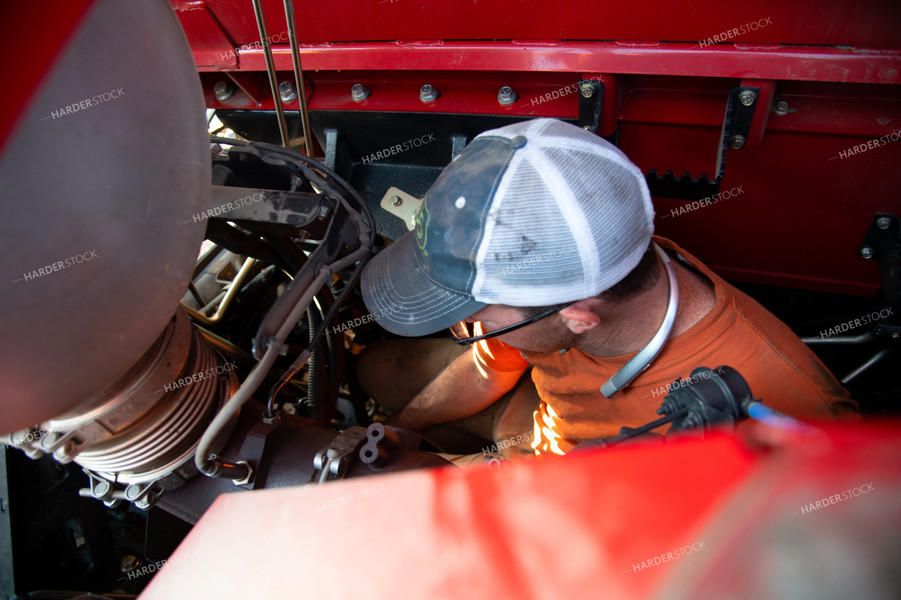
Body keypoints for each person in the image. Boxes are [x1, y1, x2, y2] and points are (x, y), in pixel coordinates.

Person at [357, 118, 858, 459]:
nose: (471, 326)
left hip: (591, 507)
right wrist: (399, 429)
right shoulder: (578, 271)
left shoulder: (799, 412)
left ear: (579, 315)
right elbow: (489, 369)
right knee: (371, 369)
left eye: (480, 311)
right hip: (534, 419)